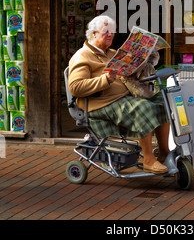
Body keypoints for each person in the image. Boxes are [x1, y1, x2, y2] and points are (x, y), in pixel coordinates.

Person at [68, 15, 170, 174]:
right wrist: (105, 80)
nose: (110, 35)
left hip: (124, 96)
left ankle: (164, 152)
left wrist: (145, 60)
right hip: (100, 103)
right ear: (93, 34)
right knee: (143, 108)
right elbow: (75, 87)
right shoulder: (82, 56)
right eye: (105, 31)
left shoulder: (112, 53)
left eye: (112, 32)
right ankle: (149, 159)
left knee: (162, 101)